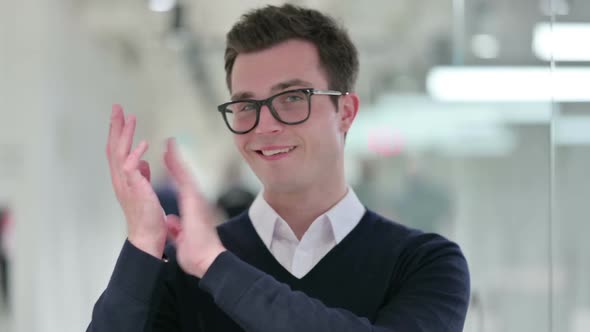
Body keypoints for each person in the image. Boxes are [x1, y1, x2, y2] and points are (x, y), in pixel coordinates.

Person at [87, 4, 470, 332]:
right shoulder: (186, 269)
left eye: (291, 98)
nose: (265, 125)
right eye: (246, 106)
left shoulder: (424, 263)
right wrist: (142, 242)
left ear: (346, 112)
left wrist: (217, 267)